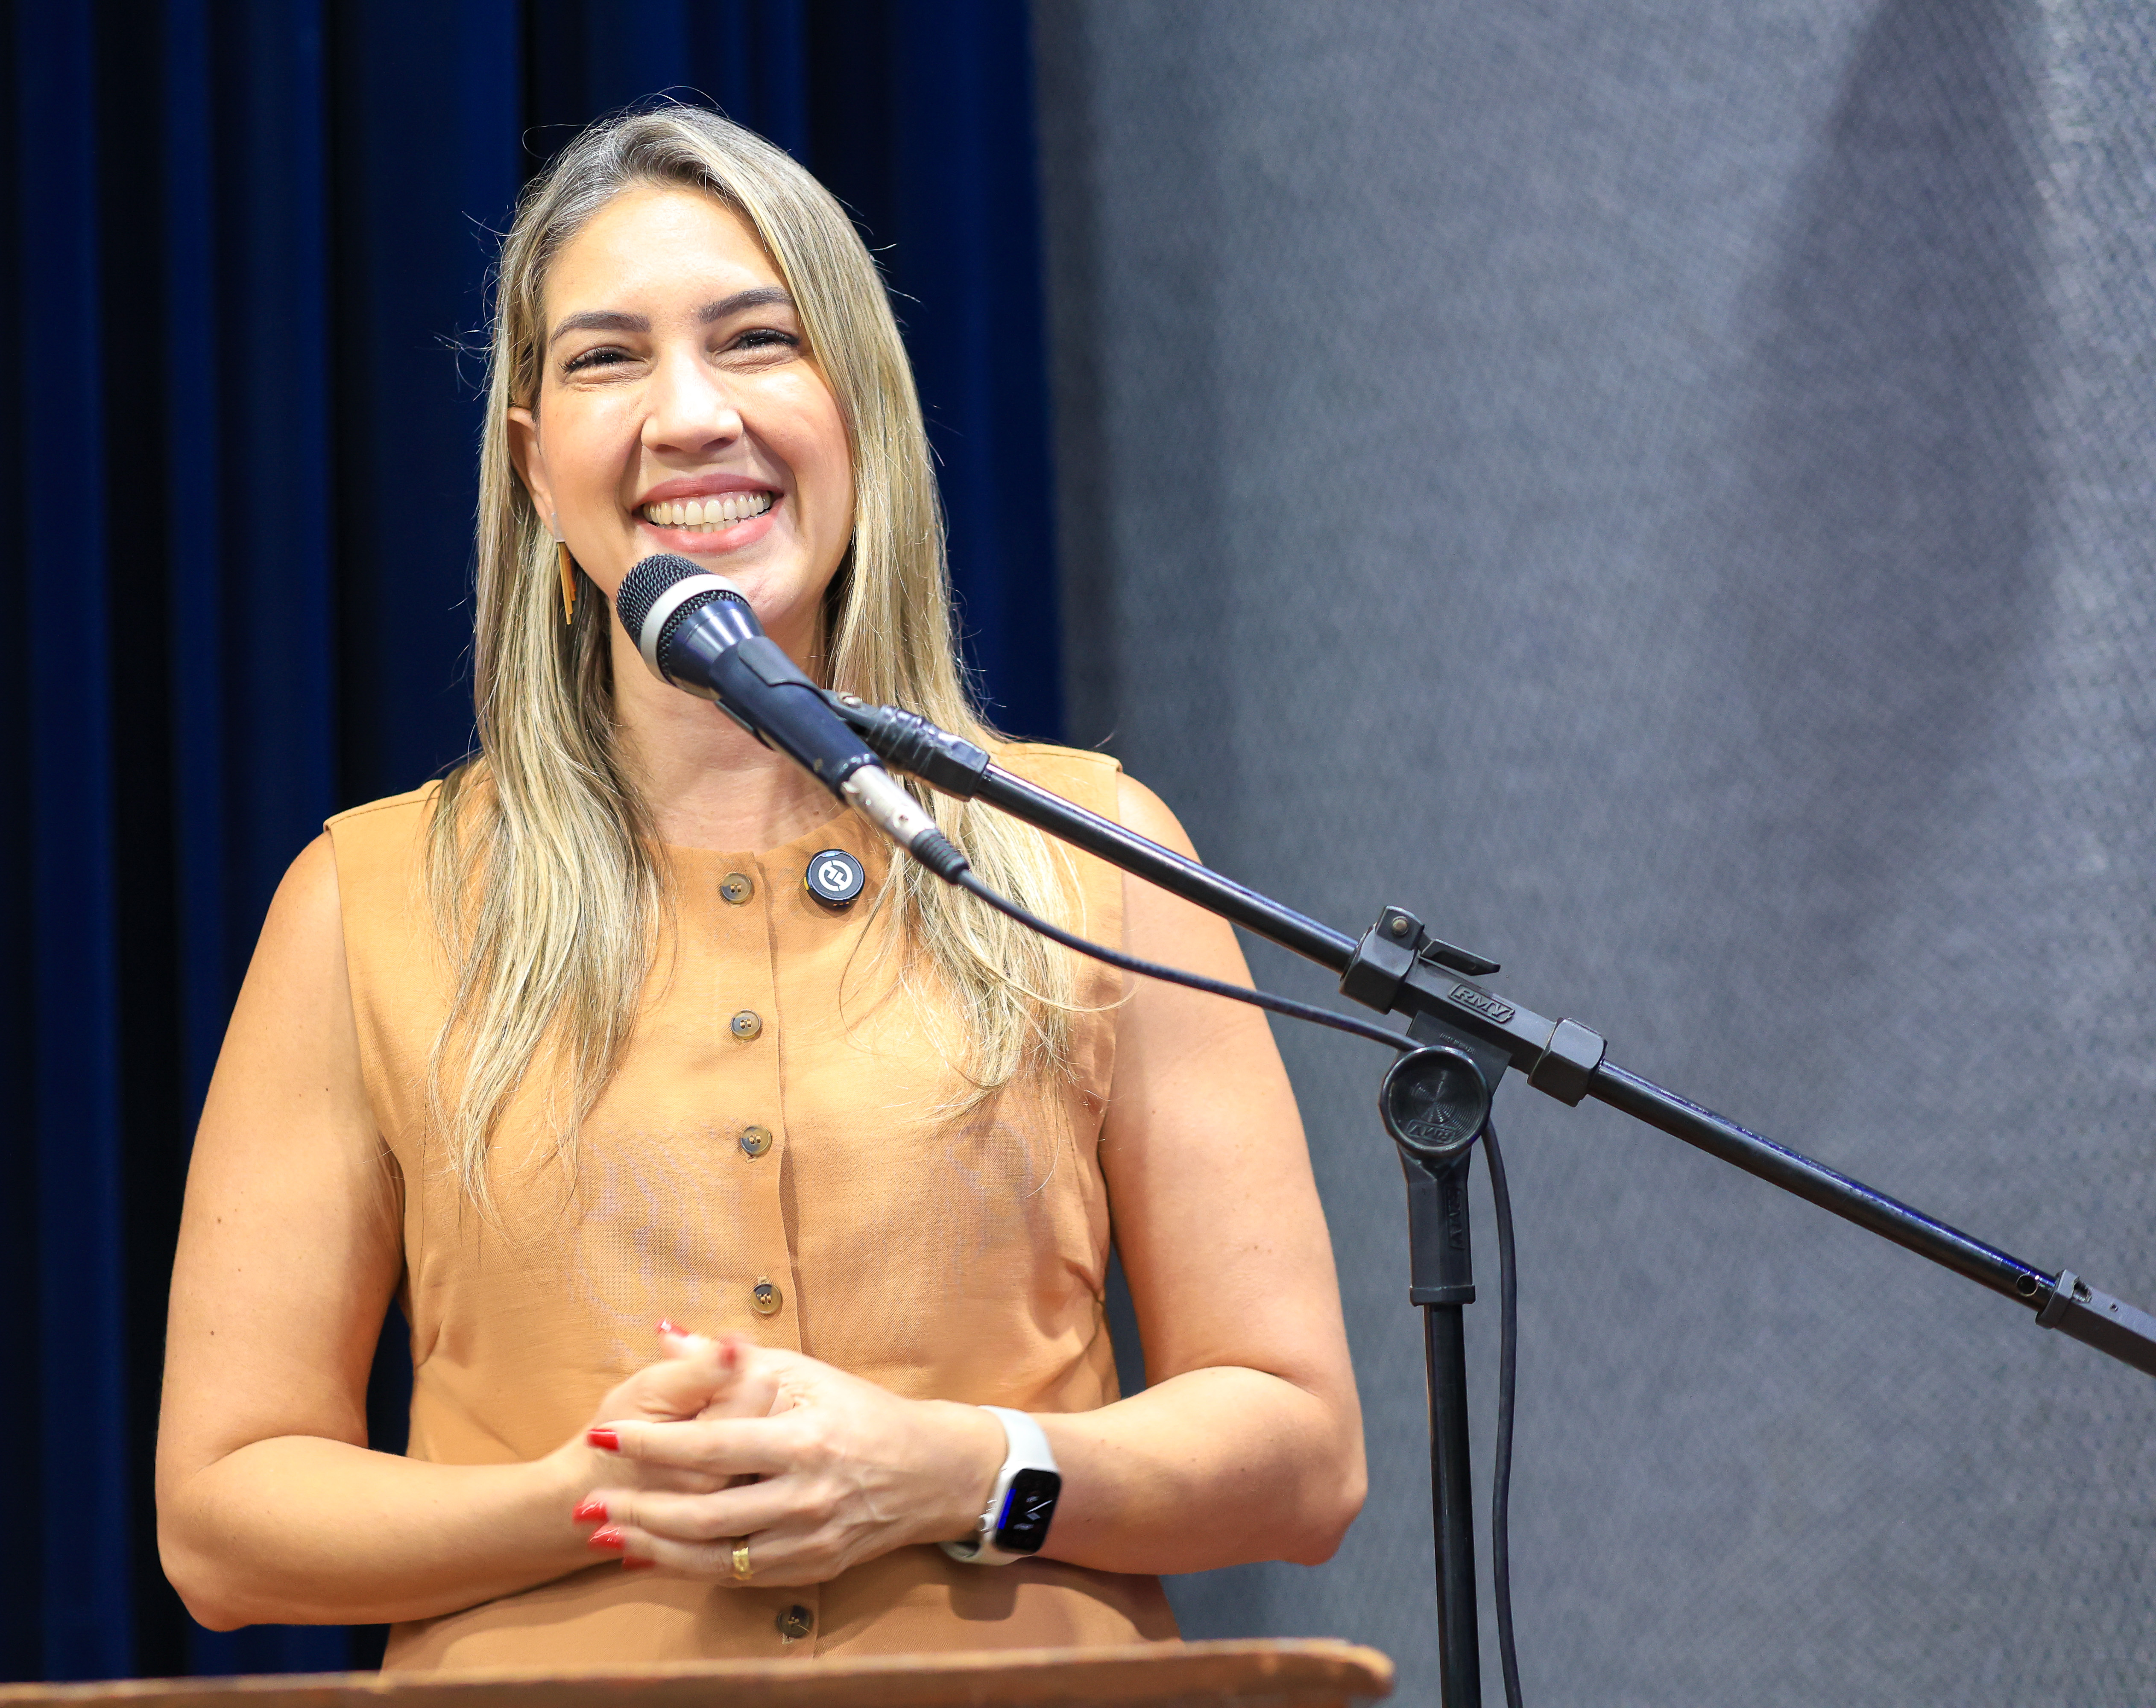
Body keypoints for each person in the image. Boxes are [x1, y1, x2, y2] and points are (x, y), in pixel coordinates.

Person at [153, 104, 1364, 1670]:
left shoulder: (1091, 856)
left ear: (860, 409)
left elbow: (1300, 1454)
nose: (689, 415)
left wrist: (958, 1471)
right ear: (533, 465)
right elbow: (224, 1519)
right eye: (607, 360)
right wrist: (595, 1498)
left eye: (756, 341)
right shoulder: (364, 900)